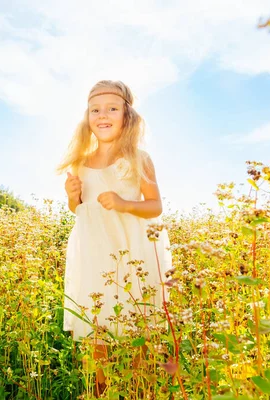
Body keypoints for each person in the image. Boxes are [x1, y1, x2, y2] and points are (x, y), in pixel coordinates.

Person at [57, 80, 172, 396]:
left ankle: (137, 388)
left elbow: (155, 206)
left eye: (111, 108)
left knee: (135, 326)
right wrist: (73, 196)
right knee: (97, 329)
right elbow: (77, 210)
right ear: (87, 116)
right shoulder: (80, 162)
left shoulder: (138, 159)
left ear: (127, 115)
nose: (102, 115)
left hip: (131, 252)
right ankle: (101, 390)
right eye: (95, 109)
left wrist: (124, 204)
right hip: (94, 253)